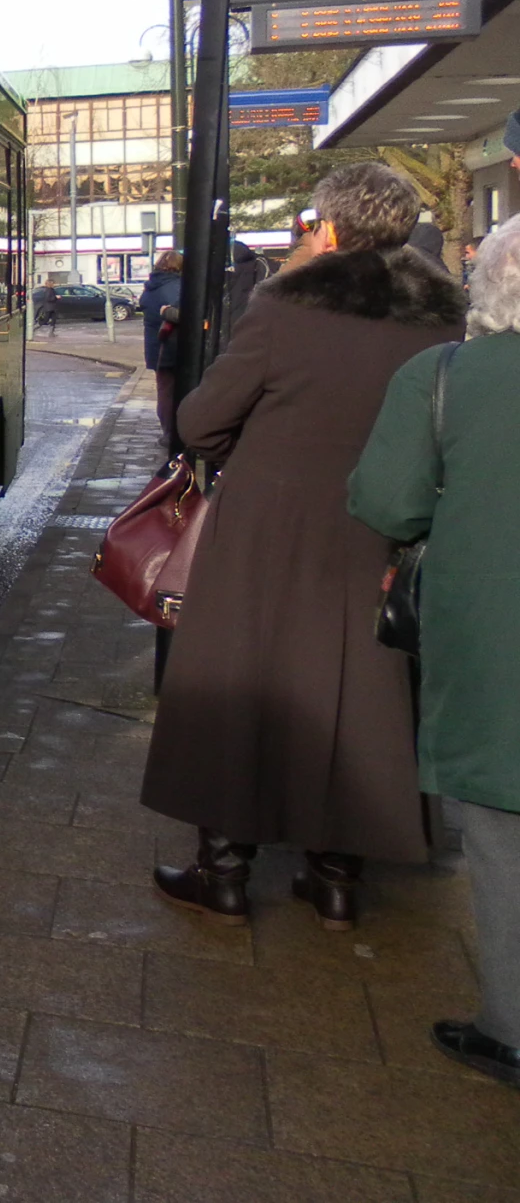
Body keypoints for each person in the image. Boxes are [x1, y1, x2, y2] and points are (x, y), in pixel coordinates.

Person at [141, 163, 465, 927]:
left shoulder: (285, 307)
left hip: (267, 531)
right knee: (359, 694)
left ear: (327, 227)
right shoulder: (441, 316)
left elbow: (201, 423)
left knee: (241, 683)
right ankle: (336, 877)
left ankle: (224, 870)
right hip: (381, 535)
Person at [348, 217, 520, 1089]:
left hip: (496, 647)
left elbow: (388, 501)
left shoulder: (445, 378)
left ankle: (511, 1028)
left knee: (500, 837)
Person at [137, 250, 184, 455]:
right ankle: (176, 434)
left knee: (164, 392)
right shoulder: (176, 286)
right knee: (179, 392)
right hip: (176, 347)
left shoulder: (150, 287)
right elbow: (184, 315)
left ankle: (167, 432)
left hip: (157, 348)